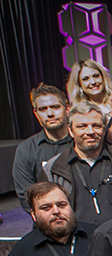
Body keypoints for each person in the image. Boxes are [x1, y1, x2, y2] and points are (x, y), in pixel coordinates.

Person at [41, 102, 112, 226]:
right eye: (82, 126)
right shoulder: (53, 168)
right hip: (78, 239)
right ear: (70, 130)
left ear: (104, 129)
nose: (90, 132)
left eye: (96, 126)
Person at [13, 84, 73, 212]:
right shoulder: (27, 149)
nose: (50, 113)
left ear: (67, 109)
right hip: (49, 221)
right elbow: (26, 195)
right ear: (36, 113)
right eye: (43, 109)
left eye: (55, 107)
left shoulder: (82, 141)